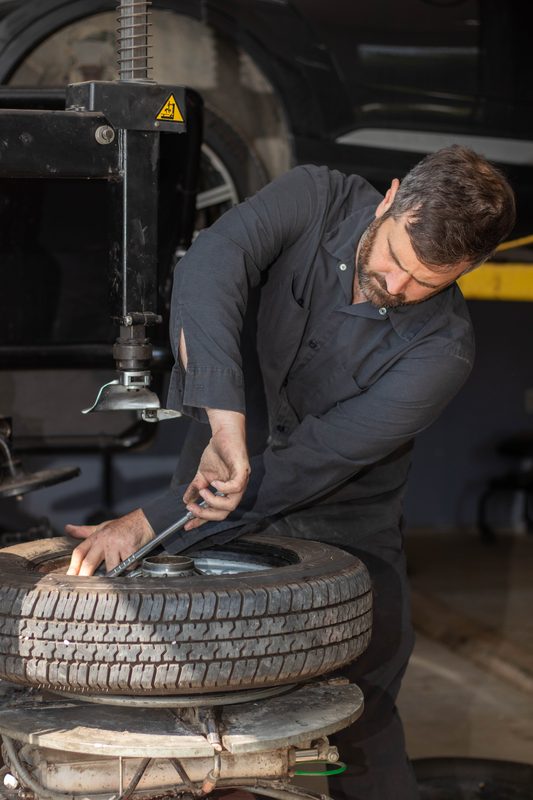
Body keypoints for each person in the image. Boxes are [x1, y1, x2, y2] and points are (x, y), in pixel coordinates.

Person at [66, 145, 516, 799]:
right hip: (213, 468)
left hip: (344, 518)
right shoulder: (314, 196)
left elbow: (308, 464)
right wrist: (224, 422)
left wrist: (146, 524)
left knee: (362, 704)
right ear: (389, 198)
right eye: (393, 259)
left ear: (467, 268)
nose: (395, 287)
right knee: (185, 696)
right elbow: (213, 266)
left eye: (426, 281)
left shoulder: (441, 352)